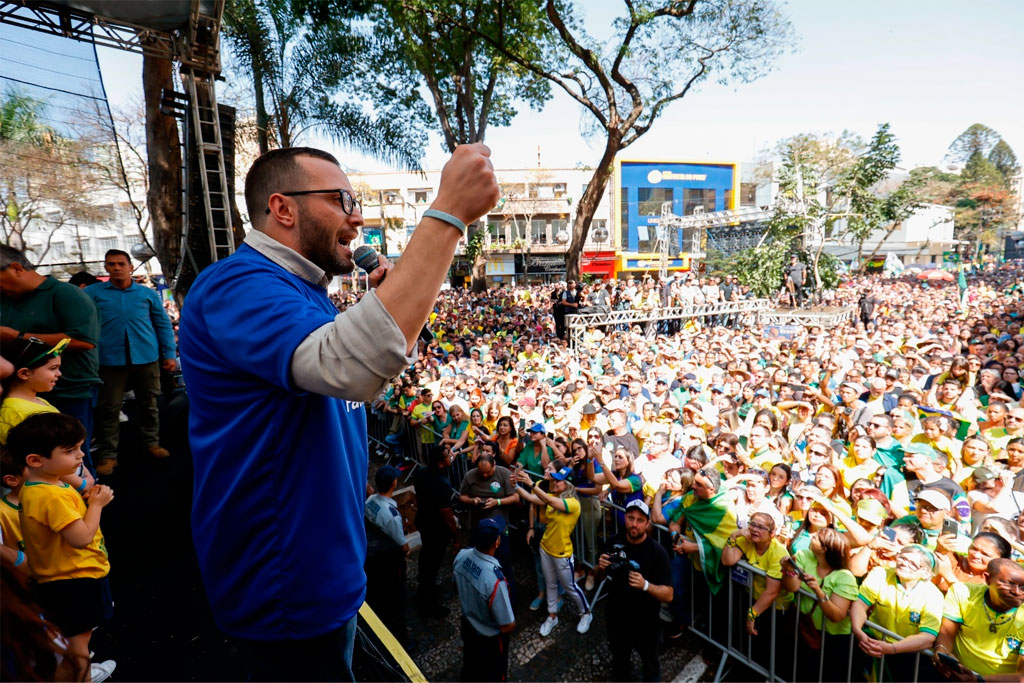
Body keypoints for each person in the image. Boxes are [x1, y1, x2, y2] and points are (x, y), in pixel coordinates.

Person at [178, 144, 498, 679]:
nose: (358, 215)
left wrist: (392, 299)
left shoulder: (306, 293)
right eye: (341, 198)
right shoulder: (238, 284)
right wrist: (447, 214)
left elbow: (369, 375)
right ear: (283, 209)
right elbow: (351, 364)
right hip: (285, 577)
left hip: (320, 564)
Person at [8, 413, 115, 682]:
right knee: (79, 649)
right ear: (35, 460)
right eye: (70, 451)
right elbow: (81, 538)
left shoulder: (42, 486)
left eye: (80, 447)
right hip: (73, 580)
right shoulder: (52, 495)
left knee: (76, 644)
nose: (80, 456)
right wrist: (97, 506)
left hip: (61, 578)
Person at [0, 246, 102, 472]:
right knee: (27, 460)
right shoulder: (5, 299)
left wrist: (17, 337)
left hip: (69, 391)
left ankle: (85, 501)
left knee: (72, 458)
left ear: (16, 268)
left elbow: (84, 340)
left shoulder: (66, 294)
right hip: (18, 394)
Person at [85, 250, 178, 475]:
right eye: (111, 264)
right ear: (106, 268)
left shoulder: (146, 294)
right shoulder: (92, 293)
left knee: (150, 403)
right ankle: (108, 455)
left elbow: (163, 325)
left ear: (130, 267)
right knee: (109, 408)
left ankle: (152, 443)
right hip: (109, 360)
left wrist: (169, 354)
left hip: (146, 357)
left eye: (120, 264)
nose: (116, 268)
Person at [596, 500, 672, 682]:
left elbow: (669, 594)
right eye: (631, 518)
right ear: (625, 518)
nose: (634, 524)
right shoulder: (614, 541)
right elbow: (599, 575)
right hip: (617, 619)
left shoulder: (657, 553)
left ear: (647, 524)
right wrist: (600, 567)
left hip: (646, 625)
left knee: (650, 667)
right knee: (620, 665)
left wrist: (645, 585)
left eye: (640, 520)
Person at [513, 465, 593, 636]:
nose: (554, 482)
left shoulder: (573, 504)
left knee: (569, 586)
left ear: (568, 485)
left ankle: (586, 613)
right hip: (545, 548)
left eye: (559, 480)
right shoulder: (552, 496)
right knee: (550, 584)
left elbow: (549, 502)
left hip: (562, 553)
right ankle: (552, 616)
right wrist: (515, 486)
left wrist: (531, 484)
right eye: (554, 479)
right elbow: (530, 498)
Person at [933, 558, 1024, 680]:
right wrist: (942, 651)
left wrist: (978, 680)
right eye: (1009, 583)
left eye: (1023, 587)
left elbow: (1021, 676)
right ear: (988, 579)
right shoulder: (962, 592)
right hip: (953, 674)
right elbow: (947, 633)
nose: (1017, 592)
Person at [453, 518, 516, 682]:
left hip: (468, 627)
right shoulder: (494, 580)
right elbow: (507, 625)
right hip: (489, 640)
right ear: (497, 542)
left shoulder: (461, 556)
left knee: (471, 667)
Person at [363, 465, 408, 647]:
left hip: (372, 558)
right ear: (394, 483)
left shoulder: (370, 500)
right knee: (394, 603)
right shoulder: (391, 515)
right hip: (389, 563)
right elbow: (402, 544)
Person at [413, 445, 458, 619]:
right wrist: (456, 536)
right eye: (448, 454)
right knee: (431, 564)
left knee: (426, 559)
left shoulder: (421, 472)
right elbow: (446, 514)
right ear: (441, 462)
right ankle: (428, 604)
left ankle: (425, 586)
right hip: (437, 529)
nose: (451, 455)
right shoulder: (442, 483)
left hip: (424, 521)